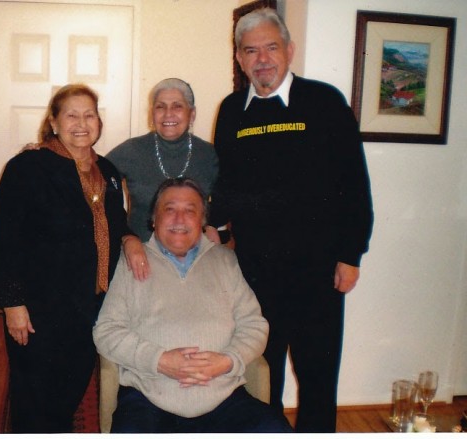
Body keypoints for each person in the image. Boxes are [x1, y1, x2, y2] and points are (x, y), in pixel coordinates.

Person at [205, 8, 374, 433]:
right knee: (262, 375)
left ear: (289, 51)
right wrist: (217, 227)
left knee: (318, 376)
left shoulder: (324, 102)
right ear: (240, 59)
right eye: (251, 51)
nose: (262, 59)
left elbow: (354, 182)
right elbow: (226, 182)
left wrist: (351, 254)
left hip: (317, 272)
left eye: (271, 47)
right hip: (254, 273)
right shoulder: (230, 111)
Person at [0, 84, 149, 433]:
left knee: (69, 390)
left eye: (89, 114)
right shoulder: (28, 167)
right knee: (34, 396)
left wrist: (132, 240)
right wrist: (12, 304)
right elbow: (3, 239)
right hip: (40, 307)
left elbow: (117, 225)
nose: (81, 123)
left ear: (99, 122)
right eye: (71, 114)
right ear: (54, 122)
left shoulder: (107, 171)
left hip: (90, 304)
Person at [93, 178, 293, 433]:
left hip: (223, 397)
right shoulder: (131, 262)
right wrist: (160, 360)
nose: (179, 219)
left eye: (190, 210)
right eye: (169, 209)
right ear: (153, 219)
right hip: (149, 396)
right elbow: (106, 331)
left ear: (201, 222)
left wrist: (227, 361)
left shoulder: (225, 261)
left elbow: (254, 325)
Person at [106, 78, 218, 241]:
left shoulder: (209, 154)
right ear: (152, 114)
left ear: (192, 114)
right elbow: (96, 186)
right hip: (142, 255)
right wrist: (126, 236)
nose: (168, 113)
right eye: (160, 106)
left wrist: (212, 224)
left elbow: (229, 198)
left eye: (177, 106)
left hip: (193, 253)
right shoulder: (130, 151)